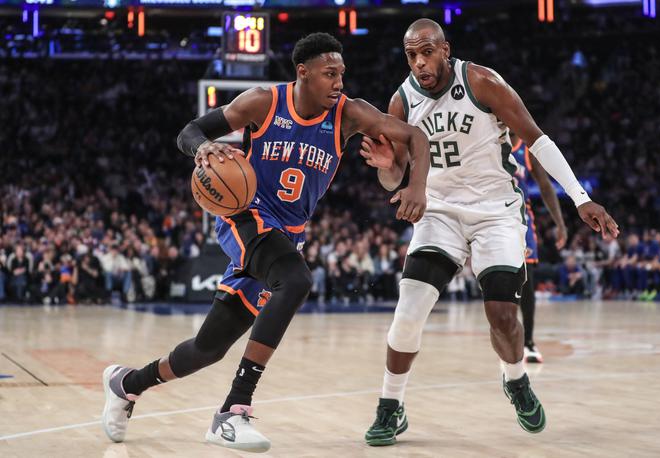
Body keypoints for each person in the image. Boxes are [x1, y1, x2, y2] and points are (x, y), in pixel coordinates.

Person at [101, 32, 430, 452]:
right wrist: (203, 149)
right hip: (245, 217)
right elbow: (191, 130)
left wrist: (412, 182)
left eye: (342, 74)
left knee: (207, 349)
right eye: (330, 74)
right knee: (296, 282)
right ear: (303, 73)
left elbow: (414, 138)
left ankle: (126, 383)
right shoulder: (262, 102)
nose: (339, 83)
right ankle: (233, 411)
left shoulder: (350, 115)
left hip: (286, 236)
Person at [359, 19, 619, 445]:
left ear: (446, 49)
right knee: (408, 311)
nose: (420, 62)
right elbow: (395, 180)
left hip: (495, 212)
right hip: (440, 212)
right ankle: (390, 406)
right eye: (411, 55)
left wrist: (580, 198)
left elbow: (537, 140)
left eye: (427, 52)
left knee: (502, 317)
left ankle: (515, 379)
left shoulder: (482, 82)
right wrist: (388, 168)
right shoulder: (401, 102)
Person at [510, 132, 568, 363]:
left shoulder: (526, 149)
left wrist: (560, 224)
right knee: (503, 282)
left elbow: (545, 186)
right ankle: (508, 338)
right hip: (492, 215)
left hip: (522, 220)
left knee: (527, 282)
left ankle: (529, 342)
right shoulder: (490, 139)